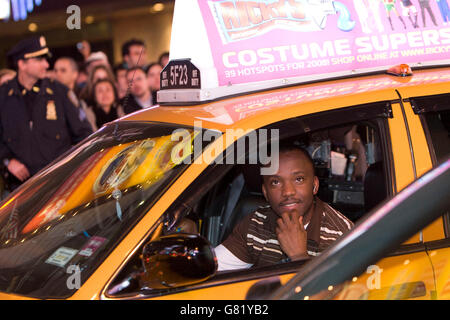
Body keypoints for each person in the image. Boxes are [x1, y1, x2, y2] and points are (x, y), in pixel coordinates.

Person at [215, 144, 354, 270]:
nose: (288, 192)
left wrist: (299, 256)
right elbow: (211, 270)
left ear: (315, 185)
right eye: (276, 182)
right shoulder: (257, 222)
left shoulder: (343, 237)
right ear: (265, 192)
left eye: (298, 179)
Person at [0, 36, 93, 191]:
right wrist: (8, 161)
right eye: (39, 60)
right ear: (22, 64)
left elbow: (84, 134)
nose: (46, 64)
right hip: (19, 188)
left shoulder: (60, 92)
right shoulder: (3, 96)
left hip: (59, 185)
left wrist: (70, 166)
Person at [54, 56, 97, 132]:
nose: (58, 74)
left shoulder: (84, 97)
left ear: (75, 74)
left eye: (63, 70)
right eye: (55, 71)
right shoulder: (50, 98)